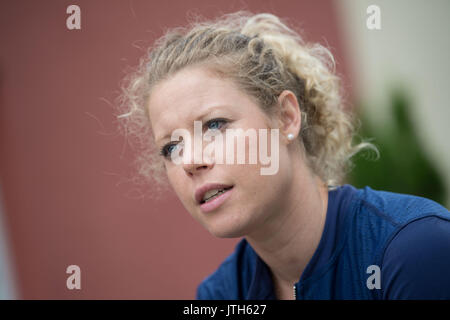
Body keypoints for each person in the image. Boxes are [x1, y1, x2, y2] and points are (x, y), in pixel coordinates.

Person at [116, 11, 450, 299]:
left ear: (287, 117)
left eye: (215, 125)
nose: (190, 161)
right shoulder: (220, 295)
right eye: (171, 148)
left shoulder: (412, 248)